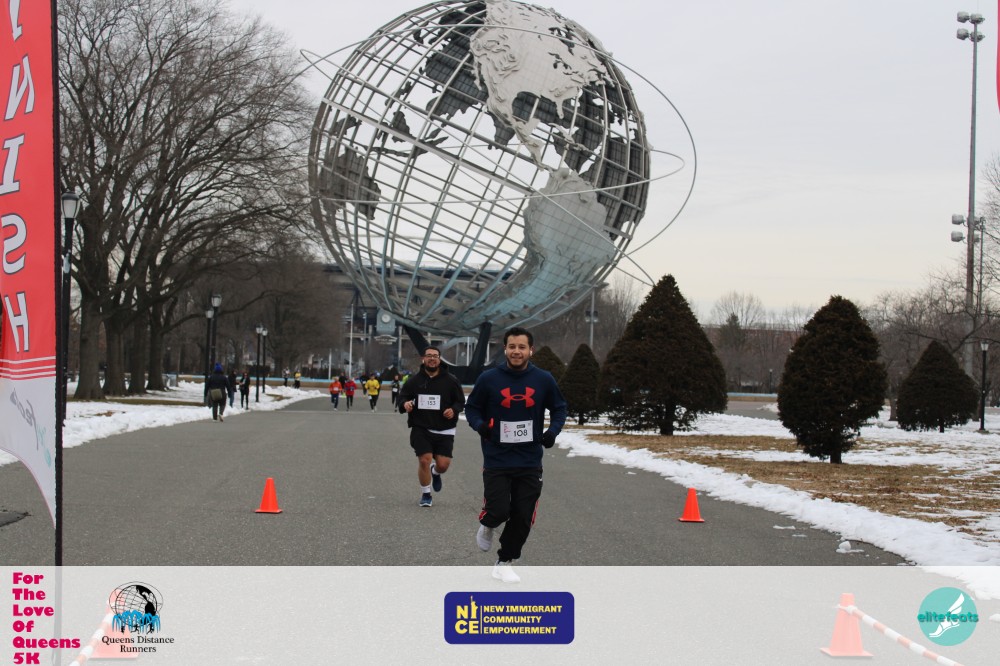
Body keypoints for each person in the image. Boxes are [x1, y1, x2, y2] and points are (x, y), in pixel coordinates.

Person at [464, 327, 567, 583]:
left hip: (529, 459)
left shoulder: (543, 379)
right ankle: (488, 523)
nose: (517, 351)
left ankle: (505, 562)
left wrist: (552, 431)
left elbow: (559, 408)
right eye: (512, 347)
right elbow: (472, 408)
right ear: (505, 349)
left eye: (522, 347)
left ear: (531, 350)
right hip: (497, 457)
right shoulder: (489, 379)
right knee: (499, 510)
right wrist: (480, 426)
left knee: (523, 515)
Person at [399, 347, 465, 508]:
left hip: (445, 429)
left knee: (443, 465)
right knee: (424, 460)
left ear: (439, 359)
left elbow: (460, 401)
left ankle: (435, 472)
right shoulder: (414, 381)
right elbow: (402, 398)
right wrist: (405, 404)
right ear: (424, 359)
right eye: (429, 355)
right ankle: (426, 494)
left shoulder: (451, 380)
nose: (432, 358)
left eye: (435, 356)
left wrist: (454, 410)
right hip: (421, 427)